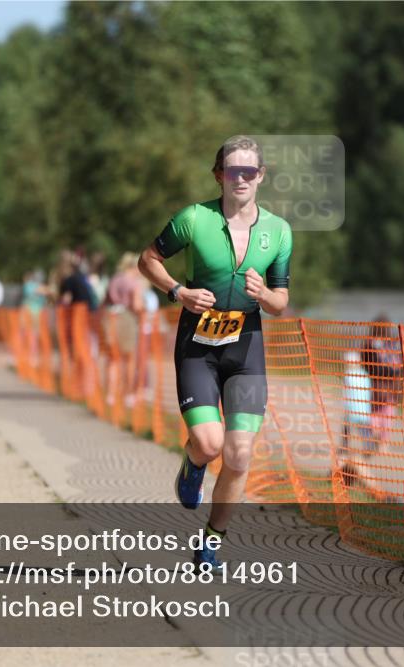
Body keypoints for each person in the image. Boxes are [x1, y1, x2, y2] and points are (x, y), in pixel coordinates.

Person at [138, 135, 292, 572]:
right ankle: (192, 463)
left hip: (246, 348)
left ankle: (211, 542)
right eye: (232, 170)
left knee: (240, 454)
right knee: (209, 444)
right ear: (219, 174)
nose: (240, 178)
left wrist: (265, 294)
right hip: (198, 345)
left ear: (260, 176)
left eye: (249, 171)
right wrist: (177, 291)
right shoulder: (194, 219)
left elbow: (282, 302)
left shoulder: (278, 231)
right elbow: (147, 259)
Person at [104, 252, 145, 410]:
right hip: (127, 319)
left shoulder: (114, 280)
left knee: (113, 359)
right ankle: (128, 395)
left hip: (111, 318)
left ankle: (110, 395)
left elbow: (106, 300)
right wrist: (143, 311)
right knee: (129, 359)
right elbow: (136, 305)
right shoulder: (134, 283)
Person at [361, 314, 404, 448]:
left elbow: (400, 364)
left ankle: (382, 442)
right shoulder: (371, 344)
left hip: (386, 388)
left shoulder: (392, 344)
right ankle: (376, 439)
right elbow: (369, 364)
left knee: (385, 416)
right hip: (378, 387)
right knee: (378, 416)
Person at [339, 349, 373, 486]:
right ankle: (367, 448)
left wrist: (345, 408)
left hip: (352, 413)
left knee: (347, 440)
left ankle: (347, 455)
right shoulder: (365, 375)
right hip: (364, 411)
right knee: (363, 437)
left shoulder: (348, 375)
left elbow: (345, 394)